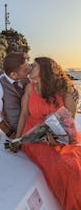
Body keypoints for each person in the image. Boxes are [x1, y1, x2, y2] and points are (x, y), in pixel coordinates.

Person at [16, 57, 81, 210]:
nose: (30, 67)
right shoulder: (30, 88)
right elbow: (24, 114)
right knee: (64, 166)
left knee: (75, 166)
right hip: (33, 134)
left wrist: (57, 140)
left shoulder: (66, 90)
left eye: (34, 65)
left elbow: (68, 124)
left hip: (58, 135)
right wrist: (18, 139)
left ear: (45, 70)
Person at [0, 52, 30, 138]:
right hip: (16, 130)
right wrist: (10, 133)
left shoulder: (27, 79)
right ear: (13, 75)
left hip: (31, 128)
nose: (29, 70)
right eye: (25, 70)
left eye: (28, 66)